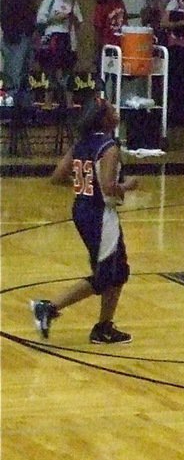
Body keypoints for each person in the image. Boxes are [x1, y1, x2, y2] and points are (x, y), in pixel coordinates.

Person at [30, 95, 137, 344]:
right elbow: (110, 188)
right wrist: (128, 186)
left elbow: (57, 176)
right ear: (105, 118)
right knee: (104, 276)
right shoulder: (109, 148)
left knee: (119, 271)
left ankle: (104, 327)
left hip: (83, 210)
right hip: (100, 216)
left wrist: (83, 186)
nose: (116, 110)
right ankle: (48, 307)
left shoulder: (82, 143)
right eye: (112, 108)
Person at [35, 0, 84, 106]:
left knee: (68, 73)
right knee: (51, 72)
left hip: (68, 41)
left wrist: (71, 17)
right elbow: (40, 21)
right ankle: (48, 102)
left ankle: (69, 104)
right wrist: (55, 19)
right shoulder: (50, 0)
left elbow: (79, 23)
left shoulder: (73, 3)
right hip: (52, 40)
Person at [1, 0, 37, 106]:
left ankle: (22, 106)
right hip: (16, 39)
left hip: (24, 37)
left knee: (24, 75)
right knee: (13, 75)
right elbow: (5, 16)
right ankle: (10, 106)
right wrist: (12, 35)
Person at [91, 0, 127, 70]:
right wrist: (97, 50)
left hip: (121, 44)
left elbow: (124, 18)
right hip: (107, 45)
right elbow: (98, 28)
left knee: (119, 73)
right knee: (105, 72)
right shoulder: (101, 7)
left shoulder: (120, 3)